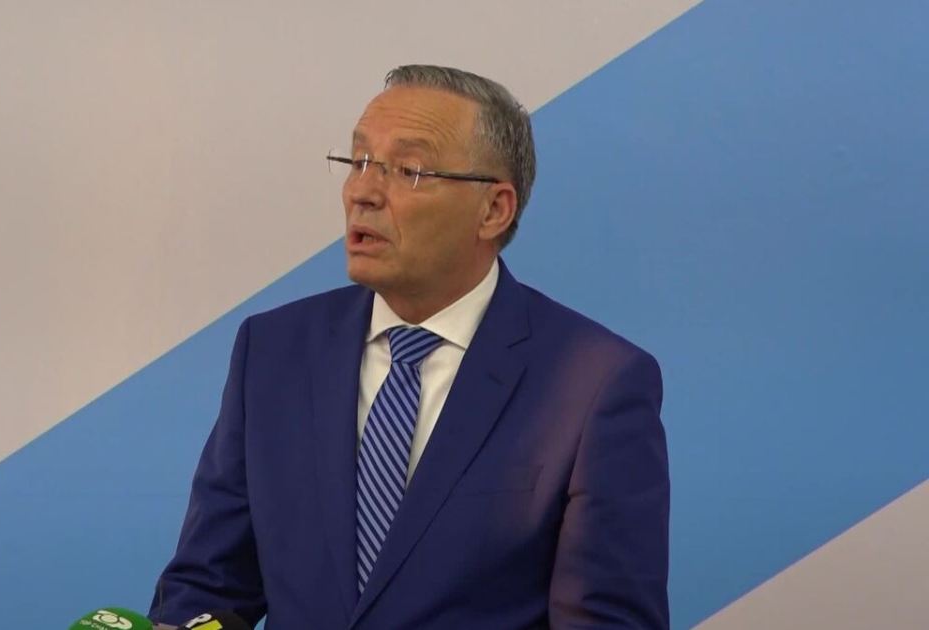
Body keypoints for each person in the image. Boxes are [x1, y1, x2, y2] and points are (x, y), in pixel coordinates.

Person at [149, 64, 669, 629]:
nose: (363, 192)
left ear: (494, 209)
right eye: (358, 161)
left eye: (409, 170)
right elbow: (210, 588)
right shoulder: (273, 352)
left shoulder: (594, 384)